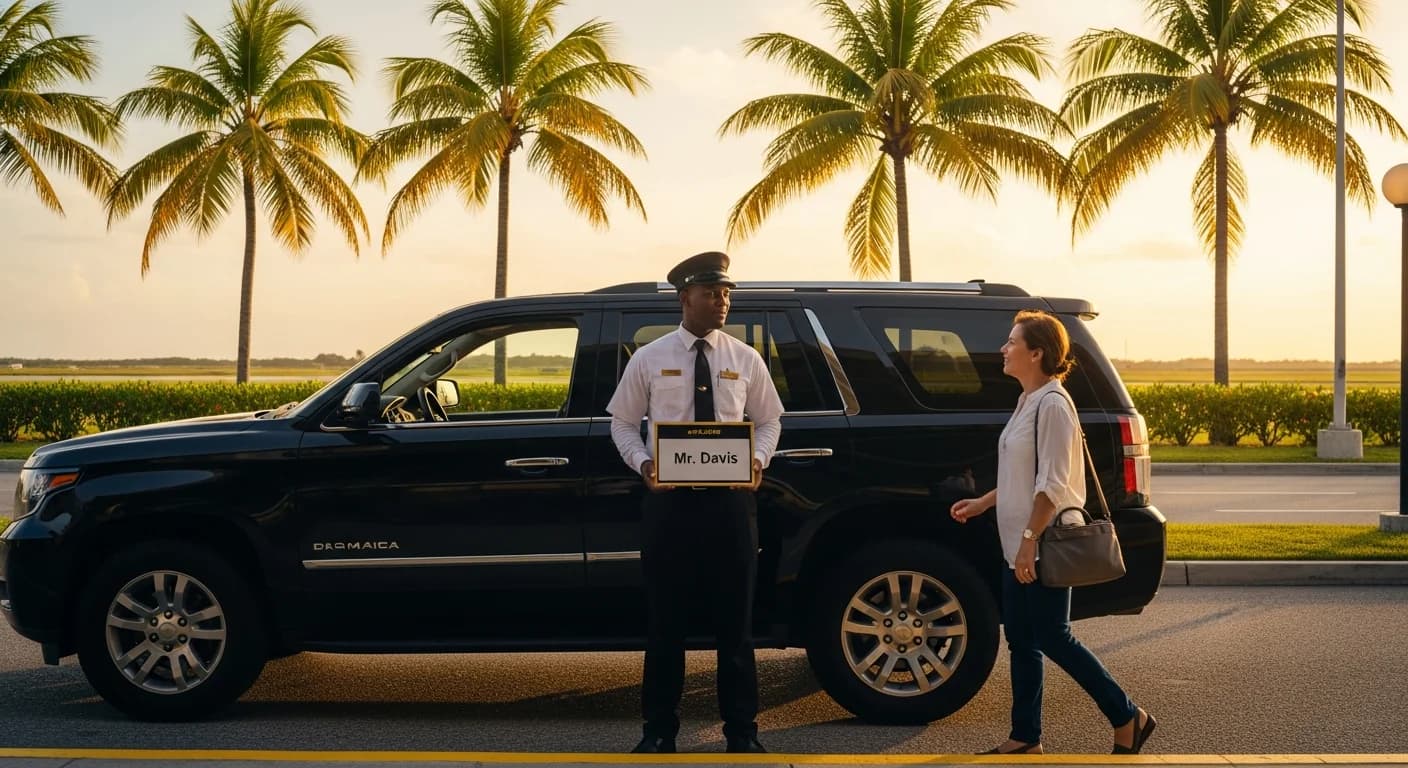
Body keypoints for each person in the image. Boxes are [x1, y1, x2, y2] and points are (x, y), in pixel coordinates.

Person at [949, 309, 1156, 755]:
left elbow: (1054, 484)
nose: (1003, 349)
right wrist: (983, 502)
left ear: (1037, 352)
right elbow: (1025, 475)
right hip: (1017, 547)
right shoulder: (1028, 400)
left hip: (1038, 545)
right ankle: (1025, 736)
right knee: (1023, 641)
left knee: (1053, 637)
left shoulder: (1054, 405)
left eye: (1012, 342)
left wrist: (1029, 545)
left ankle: (1127, 716)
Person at [606, 250, 784, 754]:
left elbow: (770, 420)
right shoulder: (650, 357)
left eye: (726, 293)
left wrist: (758, 460)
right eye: (712, 293)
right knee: (665, 626)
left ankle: (742, 734)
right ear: (685, 299)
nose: (722, 301)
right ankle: (659, 732)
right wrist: (643, 464)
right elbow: (622, 422)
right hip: (671, 510)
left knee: (736, 627)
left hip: (729, 509)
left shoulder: (743, 358)